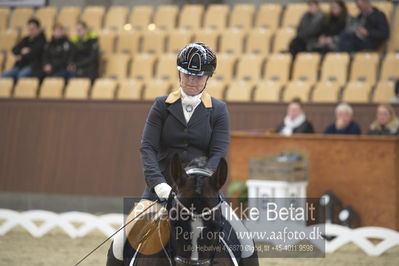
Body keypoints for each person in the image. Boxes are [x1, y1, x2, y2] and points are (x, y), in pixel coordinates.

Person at [106, 43, 258, 266]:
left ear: (207, 78)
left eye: (198, 77)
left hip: (204, 194)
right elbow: (147, 148)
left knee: (246, 244)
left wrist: (205, 184)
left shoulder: (218, 110)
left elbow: (217, 153)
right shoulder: (161, 106)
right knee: (119, 244)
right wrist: (159, 185)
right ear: (179, 73)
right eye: (187, 75)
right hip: (162, 190)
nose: (191, 81)